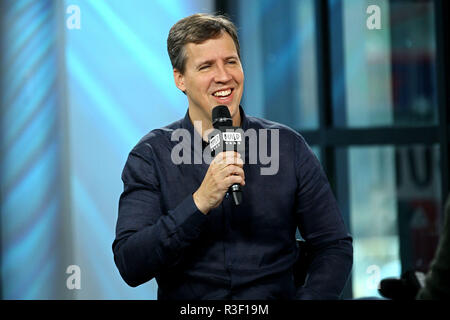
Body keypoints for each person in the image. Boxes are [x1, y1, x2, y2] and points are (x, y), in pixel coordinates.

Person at [112, 13, 353, 300]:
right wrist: (199, 202)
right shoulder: (151, 155)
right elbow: (131, 263)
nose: (224, 76)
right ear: (180, 79)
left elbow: (333, 245)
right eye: (206, 66)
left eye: (231, 62)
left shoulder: (287, 147)